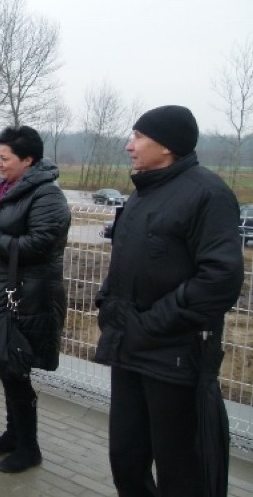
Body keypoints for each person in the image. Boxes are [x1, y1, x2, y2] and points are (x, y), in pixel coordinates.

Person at [94, 106, 244, 495]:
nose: (129, 146)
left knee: (181, 472)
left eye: (138, 137)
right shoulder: (143, 194)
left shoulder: (208, 194)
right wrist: (107, 304)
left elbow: (220, 280)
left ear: (167, 146)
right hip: (129, 350)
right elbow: (126, 263)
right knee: (126, 459)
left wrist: (150, 324)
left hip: (175, 359)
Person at [0, 125, 70, 473]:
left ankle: (29, 447)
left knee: (17, 370)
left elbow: (41, 245)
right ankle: (13, 434)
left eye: (5, 158)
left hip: (28, 297)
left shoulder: (47, 196)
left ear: (28, 160)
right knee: (7, 368)